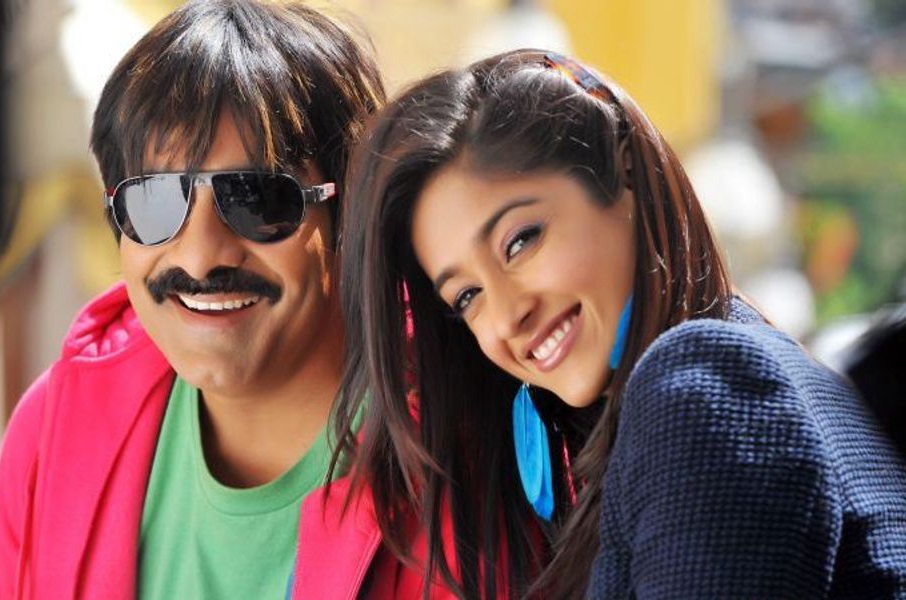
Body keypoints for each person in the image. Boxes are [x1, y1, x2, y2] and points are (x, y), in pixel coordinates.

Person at [334, 48, 906, 598]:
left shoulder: (706, 385)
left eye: (521, 241)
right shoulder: (727, 368)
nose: (508, 315)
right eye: (467, 296)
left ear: (623, 172)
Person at [0, 1, 386, 598]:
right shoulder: (50, 436)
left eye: (255, 199)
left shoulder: (464, 445)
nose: (200, 257)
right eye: (154, 201)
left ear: (350, 211)